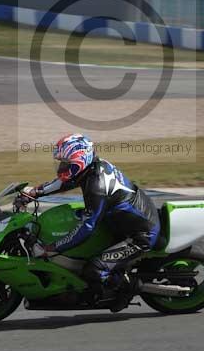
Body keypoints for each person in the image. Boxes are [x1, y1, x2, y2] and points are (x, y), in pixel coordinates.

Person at [21, 133, 161, 310]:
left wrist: (52, 248)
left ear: (79, 162)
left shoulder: (97, 188)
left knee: (94, 269)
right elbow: (65, 182)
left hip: (140, 235)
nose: (61, 166)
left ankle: (127, 289)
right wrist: (34, 192)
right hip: (121, 221)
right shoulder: (92, 167)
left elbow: (87, 227)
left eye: (65, 163)